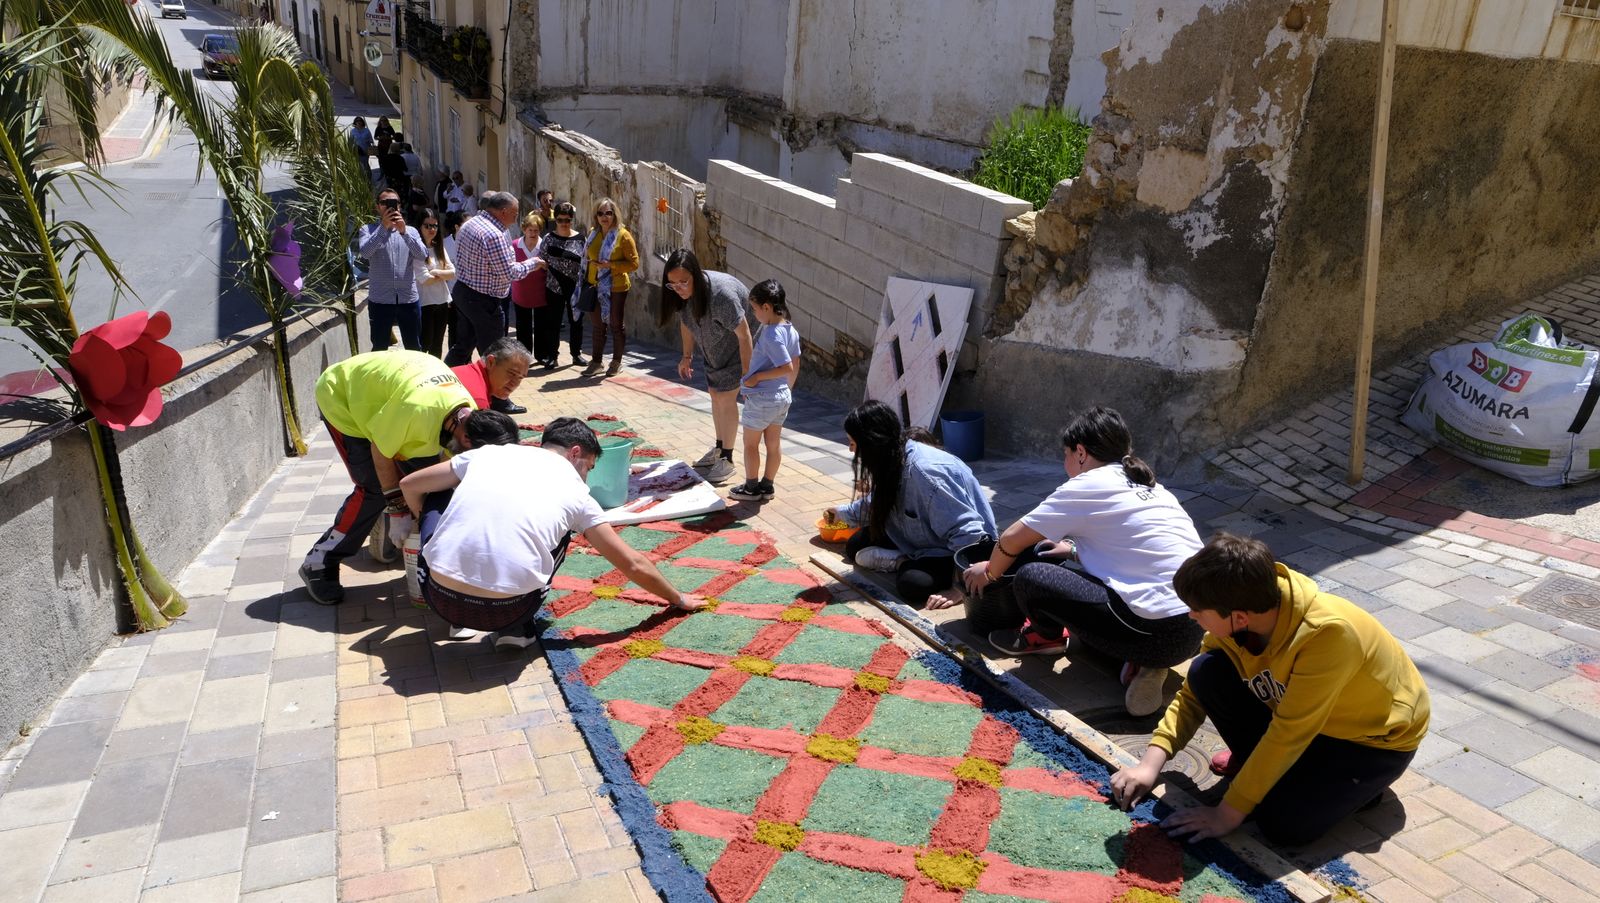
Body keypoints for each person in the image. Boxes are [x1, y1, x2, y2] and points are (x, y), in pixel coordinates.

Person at [1110, 533, 1430, 847]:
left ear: (1238, 617)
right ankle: (1278, 775)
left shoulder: (1329, 634)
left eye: (1198, 610)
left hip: (1370, 744)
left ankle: (1361, 791)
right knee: (1206, 671)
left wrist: (1226, 814)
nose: (1191, 615)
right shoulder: (1243, 607)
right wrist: (1150, 764)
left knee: (1284, 826)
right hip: (1300, 719)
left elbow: (1289, 733)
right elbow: (1193, 693)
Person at [932, 406, 1205, 717]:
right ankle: (1143, 663)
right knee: (1085, 584)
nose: (1065, 464)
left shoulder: (1086, 485)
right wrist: (1074, 551)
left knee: (1032, 576)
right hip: (1196, 627)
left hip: (1152, 632)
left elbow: (1010, 539)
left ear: (1080, 452)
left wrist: (990, 573)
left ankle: (1044, 638)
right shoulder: (1150, 486)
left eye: (1065, 455)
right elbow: (1137, 552)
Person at [399, 416, 709, 651]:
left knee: (438, 493)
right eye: (587, 466)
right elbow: (631, 563)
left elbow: (409, 485)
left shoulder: (488, 454)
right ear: (575, 453)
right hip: (507, 611)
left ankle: (459, 612)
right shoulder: (578, 495)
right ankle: (517, 630)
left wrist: (422, 525)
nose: (585, 476)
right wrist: (677, 598)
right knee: (564, 532)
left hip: (438, 599)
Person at [299, 351, 477, 605]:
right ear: (466, 439)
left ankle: (394, 525)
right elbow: (381, 452)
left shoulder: (469, 415)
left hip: (392, 402)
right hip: (344, 397)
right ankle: (319, 561)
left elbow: (446, 468)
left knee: (432, 479)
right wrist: (396, 507)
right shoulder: (418, 410)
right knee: (372, 488)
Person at [823, 400, 996, 607]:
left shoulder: (926, 473)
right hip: (916, 534)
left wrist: (959, 588)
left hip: (949, 548)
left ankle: (901, 561)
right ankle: (904, 555)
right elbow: (876, 503)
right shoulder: (891, 455)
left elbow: (969, 535)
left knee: (912, 584)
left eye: (853, 444)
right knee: (855, 546)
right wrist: (841, 513)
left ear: (871, 442)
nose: (851, 451)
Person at [658, 248, 753, 484]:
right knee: (714, 394)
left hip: (739, 347)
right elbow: (687, 323)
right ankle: (720, 449)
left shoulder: (722, 296)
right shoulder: (680, 294)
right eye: (672, 284)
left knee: (726, 397)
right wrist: (686, 356)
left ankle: (728, 460)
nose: (678, 288)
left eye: (683, 282)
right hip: (714, 346)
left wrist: (747, 374)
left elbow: (745, 335)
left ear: (696, 276)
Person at [445, 191, 539, 370]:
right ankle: (496, 397)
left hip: (464, 293)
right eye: (515, 212)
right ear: (503, 212)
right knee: (494, 354)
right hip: (483, 301)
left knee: (463, 346)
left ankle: (444, 383)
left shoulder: (470, 223)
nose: (516, 217)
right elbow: (509, 273)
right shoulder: (493, 234)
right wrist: (533, 263)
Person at [728, 280, 800, 502]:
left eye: (755, 309)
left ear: (767, 307)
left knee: (750, 444)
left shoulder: (771, 334)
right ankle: (767, 486)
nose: (755, 314)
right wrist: (787, 389)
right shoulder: (790, 329)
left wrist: (757, 377)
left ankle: (751, 487)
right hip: (780, 397)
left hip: (762, 397)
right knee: (773, 444)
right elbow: (795, 364)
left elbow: (786, 365)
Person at [357, 187, 427, 352]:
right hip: (381, 300)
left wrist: (403, 232)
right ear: (377, 207)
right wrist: (383, 228)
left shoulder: (411, 231)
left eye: (393, 203)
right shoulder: (368, 230)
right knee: (380, 348)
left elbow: (422, 255)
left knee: (414, 347)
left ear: (400, 207)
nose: (389, 206)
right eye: (384, 203)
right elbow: (365, 253)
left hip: (407, 299)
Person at [581, 198, 639, 378]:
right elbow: (587, 258)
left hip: (616, 286)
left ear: (614, 214)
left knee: (615, 324)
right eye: (600, 213)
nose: (604, 217)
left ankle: (616, 362)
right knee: (598, 326)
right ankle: (597, 362)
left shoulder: (623, 235)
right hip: (595, 285)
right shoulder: (593, 234)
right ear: (596, 216)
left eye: (608, 213)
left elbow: (634, 264)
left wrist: (611, 265)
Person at [534, 202, 586, 369]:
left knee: (576, 321)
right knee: (553, 322)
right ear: (555, 220)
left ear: (572, 220)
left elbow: (585, 262)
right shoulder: (549, 239)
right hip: (554, 286)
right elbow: (542, 260)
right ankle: (552, 356)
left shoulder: (580, 238)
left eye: (568, 220)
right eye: (560, 220)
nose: (564, 223)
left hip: (574, 287)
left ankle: (576, 354)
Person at [414, 208, 454, 358]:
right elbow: (425, 279)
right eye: (427, 226)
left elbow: (453, 273)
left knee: (437, 345)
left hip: (442, 302)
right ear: (420, 227)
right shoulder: (417, 249)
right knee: (425, 343)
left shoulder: (439, 247)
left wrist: (436, 272)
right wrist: (441, 274)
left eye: (435, 226)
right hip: (425, 303)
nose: (432, 229)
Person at [452, 336, 529, 412]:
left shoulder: (460, 371)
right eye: (512, 373)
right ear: (490, 362)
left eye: (520, 378)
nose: (514, 384)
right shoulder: (478, 402)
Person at [511, 212, 548, 358]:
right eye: (530, 230)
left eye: (536, 230)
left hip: (540, 291)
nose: (533, 233)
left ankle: (541, 354)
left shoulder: (545, 245)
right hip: (521, 292)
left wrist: (545, 265)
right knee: (522, 326)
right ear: (524, 229)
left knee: (541, 325)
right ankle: (524, 356)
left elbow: (551, 266)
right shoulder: (515, 245)